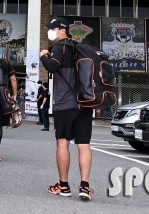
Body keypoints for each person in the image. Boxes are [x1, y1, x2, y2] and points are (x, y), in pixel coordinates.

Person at [40, 17, 94, 202]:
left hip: (65, 104)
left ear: (62, 30)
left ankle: (63, 186)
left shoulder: (59, 47)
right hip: (85, 103)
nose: (50, 31)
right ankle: (85, 187)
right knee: (83, 144)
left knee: (62, 143)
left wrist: (42, 56)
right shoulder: (79, 47)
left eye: (53, 28)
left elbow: (53, 67)